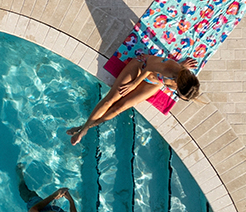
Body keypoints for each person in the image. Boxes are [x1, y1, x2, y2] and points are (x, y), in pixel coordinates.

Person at [67, 52, 200, 145]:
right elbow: (148, 69)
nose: (176, 94)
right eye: (177, 93)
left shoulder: (182, 76)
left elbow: (180, 72)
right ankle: (83, 130)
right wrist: (133, 84)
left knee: (118, 109)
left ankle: (85, 126)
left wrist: (183, 65)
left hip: (155, 82)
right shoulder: (170, 69)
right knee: (110, 99)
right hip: (140, 67)